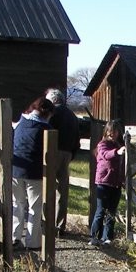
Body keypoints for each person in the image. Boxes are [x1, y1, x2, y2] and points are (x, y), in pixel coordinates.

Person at [11, 96, 54, 250]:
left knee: (18, 204)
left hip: (15, 169)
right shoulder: (45, 129)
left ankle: (14, 238)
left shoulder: (21, 123)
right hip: (34, 173)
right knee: (34, 208)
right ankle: (33, 242)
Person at [45, 88, 82, 236]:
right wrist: (71, 154)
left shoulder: (52, 113)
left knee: (47, 187)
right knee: (62, 191)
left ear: (52, 100)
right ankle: (60, 225)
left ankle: (47, 223)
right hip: (67, 154)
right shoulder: (72, 115)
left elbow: (46, 131)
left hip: (52, 152)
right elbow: (77, 139)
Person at [90, 119, 125, 246]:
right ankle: (94, 236)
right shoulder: (102, 144)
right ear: (106, 131)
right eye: (110, 130)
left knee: (111, 211)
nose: (112, 133)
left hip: (116, 183)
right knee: (101, 211)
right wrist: (117, 152)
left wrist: (123, 180)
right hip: (103, 183)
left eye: (115, 131)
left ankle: (107, 237)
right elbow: (105, 154)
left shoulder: (118, 145)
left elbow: (121, 166)